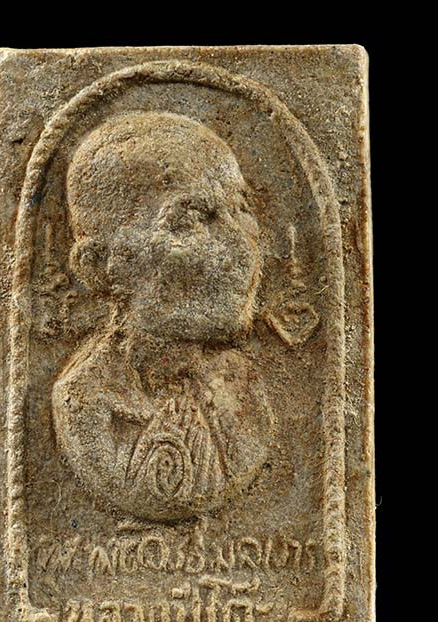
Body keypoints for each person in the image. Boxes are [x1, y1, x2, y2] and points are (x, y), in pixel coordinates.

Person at [52, 111, 276, 522]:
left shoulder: (245, 389)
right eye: (190, 220)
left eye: (241, 209)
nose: (242, 249)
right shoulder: (87, 404)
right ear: (100, 265)